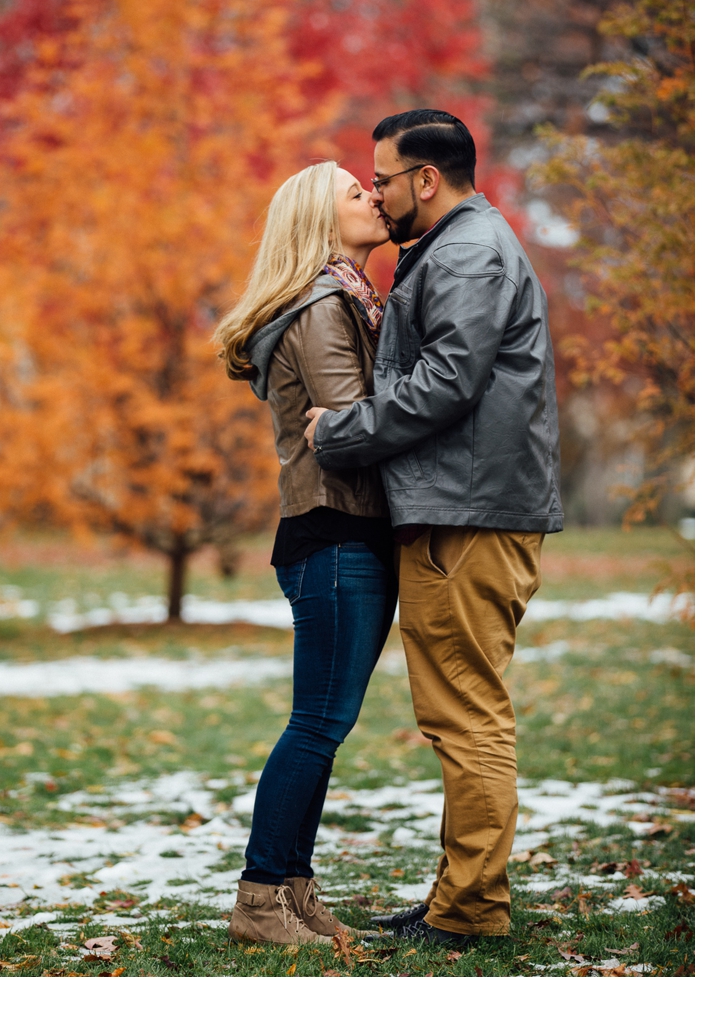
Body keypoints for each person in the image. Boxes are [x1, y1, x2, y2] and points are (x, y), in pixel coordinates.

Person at [303, 109, 563, 951]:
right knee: (459, 711)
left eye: (381, 178)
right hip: (466, 507)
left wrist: (337, 432)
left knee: (467, 715)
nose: (374, 193)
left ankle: (471, 912)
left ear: (426, 178)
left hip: (468, 514)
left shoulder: (465, 253)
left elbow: (448, 384)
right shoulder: (453, 251)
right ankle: (458, 895)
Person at [211, 161, 396, 946]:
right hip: (335, 532)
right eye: (357, 192)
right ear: (321, 219)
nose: (375, 196)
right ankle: (261, 897)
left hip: (341, 531)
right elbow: (352, 427)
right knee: (317, 723)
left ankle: (293, 888)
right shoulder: (323, 307)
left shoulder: (342, 299)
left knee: (326, 722)